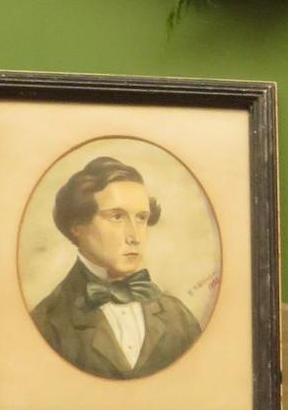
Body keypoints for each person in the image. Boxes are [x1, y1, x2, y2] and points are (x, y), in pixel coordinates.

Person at [30, 154, 203, 379]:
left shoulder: (178, 318)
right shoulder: (46, 323)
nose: (134, 236)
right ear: (77, 225)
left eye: (141, 218)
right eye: (117, 217)